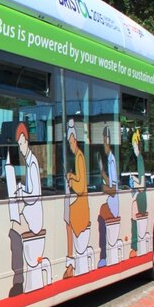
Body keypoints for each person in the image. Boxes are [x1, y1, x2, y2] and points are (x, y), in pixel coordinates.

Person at [7, 122, 44, 295]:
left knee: (14, 231)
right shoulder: (28, 162)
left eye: (21, 144)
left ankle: (18, 279)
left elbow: (34, 195)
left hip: (34, 217)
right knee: (14, 228)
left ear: (27, 141)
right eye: (19, 144)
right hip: (30, 213)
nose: (20, 148)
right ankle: (18, 278)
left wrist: (21, 193)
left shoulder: (33, 162)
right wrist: (22, 189)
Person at [64, 119, 90, 278]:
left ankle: (70, 263)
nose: (70, 146)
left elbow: (80, 188)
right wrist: (72, 176)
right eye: (69, 143)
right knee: (67, 216)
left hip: (82, 204)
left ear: (76, 141)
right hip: (81, 202)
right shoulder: (78, 157)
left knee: (68, 219)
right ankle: (70, 263)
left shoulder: (79, 157)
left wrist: (71, 180)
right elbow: (80, 179)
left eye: (72, 142)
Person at [97, 126, 119, 267]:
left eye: (104, 141)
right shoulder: (109, 159)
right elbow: (110, 180)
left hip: (113, 205)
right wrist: (102, 172)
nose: (103, 145)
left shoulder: (111, 160)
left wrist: (103, 188)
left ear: (108, 141)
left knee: (101, 215)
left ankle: (103, 255)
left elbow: (114, 189)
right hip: (111, 203)